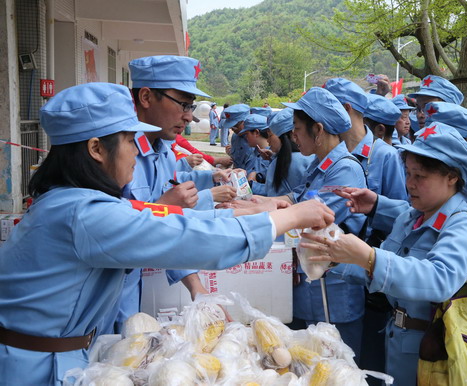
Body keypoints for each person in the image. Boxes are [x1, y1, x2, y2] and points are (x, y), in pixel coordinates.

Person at [0, 83, 334, 385]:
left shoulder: (73, 202)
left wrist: (253, 212)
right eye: (130, 141)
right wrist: (290, 217)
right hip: (34, 368)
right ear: (96, 149)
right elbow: (185, 234)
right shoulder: (84, 213)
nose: (136, 153)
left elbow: (158, 217)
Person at [300, 120, 467, 385]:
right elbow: (377, 272)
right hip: (400, 345)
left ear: (452, 177)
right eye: (408, 173)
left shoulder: (463, 224)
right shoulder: (411, 218)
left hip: (440, 354)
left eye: (420, 176)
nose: (410, 183)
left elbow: (439, 279)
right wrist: (331, 259)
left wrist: (369, 256)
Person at [105, 55, 237, 335]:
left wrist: (197, 289)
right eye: (183, 104)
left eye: (190, 106)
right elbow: (111, 229)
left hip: (128, 296)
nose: (189, 116)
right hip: (103, 298)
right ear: (145, 97)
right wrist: (164, 206)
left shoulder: (163, 152)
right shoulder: (115, 155)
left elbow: (167, 228)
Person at [272, 87, 368, 358]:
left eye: (297, 129)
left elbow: (313, 221)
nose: (293, 136)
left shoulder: (345, 169)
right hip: (311, 293)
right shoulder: (318, 166)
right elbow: (292, 200)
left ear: (318, 129)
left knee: (340, 371)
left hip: (334, 297)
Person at [325, 78, 408, 202]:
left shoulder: (386, 156)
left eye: (327, 110)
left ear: (347, 109)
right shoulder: (330, 150)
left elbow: (399, 210)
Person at [249, 108, 314, 197]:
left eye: (270, 135)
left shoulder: (290, 161)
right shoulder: (308, 158)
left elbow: (275, 194)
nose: (268, 140)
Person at [224, 104, 253, 169]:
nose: (232, 129)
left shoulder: (255, 139)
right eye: (230, 126)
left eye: (235, 125)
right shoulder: (235, 137)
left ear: (245, 121)